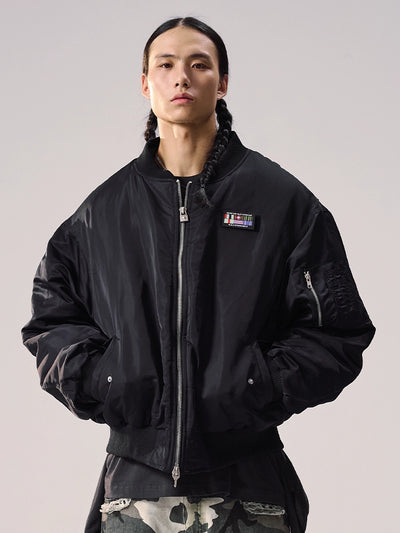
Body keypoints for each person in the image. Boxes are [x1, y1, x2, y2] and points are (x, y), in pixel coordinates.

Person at [21, 16, 375, 533]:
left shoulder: (282, 203)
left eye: (199, 64)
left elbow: (338, 331)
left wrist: (257, 384)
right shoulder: (102, 213)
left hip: (249, 489)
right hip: (135, 493)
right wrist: (107, 378)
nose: (181, 76)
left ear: (222, 82)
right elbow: (50, 323)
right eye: (165, 65)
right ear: (146, 84)